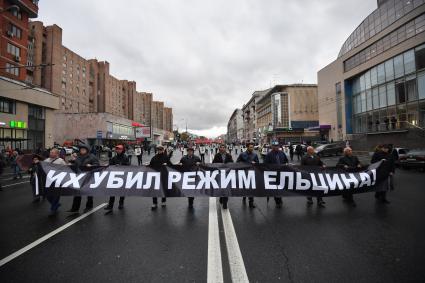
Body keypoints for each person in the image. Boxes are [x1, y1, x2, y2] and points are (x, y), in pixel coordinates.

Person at [67, 144, 100, 213]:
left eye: (83, 149)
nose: (82, 150)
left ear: (87, 150)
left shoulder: (92, 157)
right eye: (81, 149)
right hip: (79, 176)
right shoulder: (78, 156)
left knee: (89, 192)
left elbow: (97, 165)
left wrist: (91, 165)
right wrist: (71, 163)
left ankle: (89, 206)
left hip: (89, 177)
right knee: (77, 192)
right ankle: (75, 208)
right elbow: (76, 165)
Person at [104, 145, 130, 212]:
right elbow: (110, 165)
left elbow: (128, 166)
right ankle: (110, 205)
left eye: (119, 149)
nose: (118, 150)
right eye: (117, 149)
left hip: (123, 177)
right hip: (114, 177)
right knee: (112, 192)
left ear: (122, 150)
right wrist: (107, 165)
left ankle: (121, 203)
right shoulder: (114, 158)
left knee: (122, 191)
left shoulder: (125, 157)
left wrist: (121, 166)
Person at [264, 141, 289, 208]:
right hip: (273, 174)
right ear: (272, 147)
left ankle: (279, 198)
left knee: (281, 187)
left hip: (282, 174)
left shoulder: (282, 153)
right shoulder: (269, 154)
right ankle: (277, 201)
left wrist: (286, 164)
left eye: (277, 146)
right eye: (275, 146)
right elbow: (265, 164)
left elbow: (286, 161)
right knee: (275, 188)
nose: (276, 147)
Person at [44, 148, 67, 216]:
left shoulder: (61, 161)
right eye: (50, 152)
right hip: (48, 180)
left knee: (56, 195)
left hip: (57, 180)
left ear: (57, 154)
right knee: (48, 195)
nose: (51, 153)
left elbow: (66, 169)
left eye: (53, 152)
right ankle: (56, 204)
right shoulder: (46, 160)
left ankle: (53, 209)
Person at [237, 143, 259, 208]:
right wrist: (244, 163)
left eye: (252, 147)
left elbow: (258, 164)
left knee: (251, 188)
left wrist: (255, 163)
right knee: (245, 187)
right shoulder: (242, 154)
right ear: (247, 147)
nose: (252, 148)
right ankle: (244, 196)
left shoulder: (255, 155)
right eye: (250, 147)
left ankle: (251, 202)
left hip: (251, 174)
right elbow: (237, 162)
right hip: (244, 173)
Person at [149, 145, 172, 209]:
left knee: (163, 189)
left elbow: (171, 165)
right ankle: (154, 203)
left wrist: (167, 164)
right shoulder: (154, 157)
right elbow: (151, 165)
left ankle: (163, 201)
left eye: (161, 150)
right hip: (156, 176)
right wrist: (146, 166)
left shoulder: (166, 157)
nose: (159, 151)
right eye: (158, 150)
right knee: (154, 190)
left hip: (164, 175)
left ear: (163, 150)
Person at [213, 144, 234, 209]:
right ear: (219, 149)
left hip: (227, 174)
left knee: (226, 189)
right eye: (221, 147)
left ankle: (225, 203)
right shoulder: (217, 155)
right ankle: (221, 197)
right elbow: (213, 163)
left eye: (223, 147)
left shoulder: (229, 155)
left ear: (225, 148)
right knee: (221, 188)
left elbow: (232, 163)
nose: (222, 148)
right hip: (219, 174)